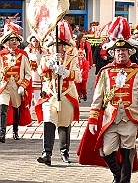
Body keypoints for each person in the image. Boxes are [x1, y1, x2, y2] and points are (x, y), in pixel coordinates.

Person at [77, 16, 138, 183]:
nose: (121, 53)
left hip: (130, 119)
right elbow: (97, 99)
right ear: (113, 53)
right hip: (110, 119)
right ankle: (117, 175)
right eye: (118, 51)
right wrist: (91, 120)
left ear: (129, 52)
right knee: (107, 151)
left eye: (124, 50)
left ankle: (124, 180)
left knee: (127, 151)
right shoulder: (105, 72)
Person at [35, 19, 81, 166]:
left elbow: (78, 75)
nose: (56, 47)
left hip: (67, 94)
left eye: (59, 45)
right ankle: (46, 153)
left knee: (64, 124)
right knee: (49, 121)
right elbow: (40, 72)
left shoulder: (72, 59)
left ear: (64, 46)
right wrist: (48, 65)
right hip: (50, 94)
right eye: (54, 45)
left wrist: (66, 72)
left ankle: (64, 152)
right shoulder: (46, 58)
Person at [0, 22, 32, 143]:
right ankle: (2, 131)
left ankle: (15, 130)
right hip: (5, 85)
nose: (14, 42)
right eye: (11, 40)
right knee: (2, 107)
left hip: (17, 85)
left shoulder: (23, 55)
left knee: (16, 107)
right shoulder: (1, 55)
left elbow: (28, 73)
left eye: (15, 40)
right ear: (7, 42)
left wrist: (23, 86)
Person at [24, 33, 47, 119]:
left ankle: (38, 114)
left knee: (38, 95)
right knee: (29, 95)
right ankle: (29, 115)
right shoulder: (27, 50)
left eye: (37, 41)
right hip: (30, 75)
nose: (35, 43)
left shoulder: (43, 51)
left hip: (39, 75)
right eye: (34, 41)